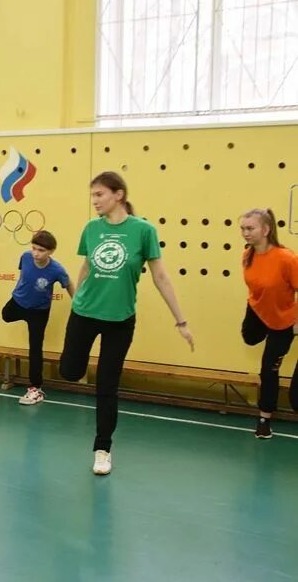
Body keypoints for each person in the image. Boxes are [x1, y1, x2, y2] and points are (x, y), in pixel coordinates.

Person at [58, 171, 194, 476]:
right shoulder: (91, 229)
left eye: (99, 195)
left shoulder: (143, 231)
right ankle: (77, 366)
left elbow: (160, 276)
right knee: (69, 371)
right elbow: (86, 265)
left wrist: (180, 320)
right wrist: (75, 296)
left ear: (118, 194)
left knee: (107, 386)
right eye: (92, 195)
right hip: (84, 312)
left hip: (120, 320)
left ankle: (102, 448)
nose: (94, 201)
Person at [238, 208, 298, 439]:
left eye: (250, 228)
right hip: (256, 309)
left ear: (266, 229)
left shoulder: (287, 259)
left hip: (282, 320)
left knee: (268, 368)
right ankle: (262, 328)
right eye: (243, 228)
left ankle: (264, 419)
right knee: (250, 338)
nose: (245, 233)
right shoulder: (247, 255)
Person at [2, 230, 75, 405]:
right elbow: (23, 274)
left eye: (41, 250)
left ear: (50, 251)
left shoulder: (56, 270)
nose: (36, 253)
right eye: (34, 248)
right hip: (18, 302)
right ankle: (21, 313)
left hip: (39, 312)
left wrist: (78, 305)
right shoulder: (25, 257)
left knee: (35, 347)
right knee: (5, 315)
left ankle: (36, 388)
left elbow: (69, 285)